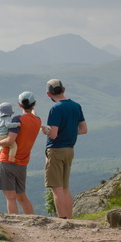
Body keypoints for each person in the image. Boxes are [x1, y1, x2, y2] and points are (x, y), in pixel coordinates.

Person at [40, 78, 87, 218]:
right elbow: (83, 129)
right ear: (63, 89)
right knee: (65, 188)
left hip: (56, 150)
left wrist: (45, 131)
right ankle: (70, 219)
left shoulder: (55, 108)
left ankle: (62, 220)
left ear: (49, 94)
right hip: (69, 150)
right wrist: (70, 131)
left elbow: (53, 135)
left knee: (56, 188)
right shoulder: (76, 106)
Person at [0, 91, 42, 214]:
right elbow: (33, 115)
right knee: (22, 196)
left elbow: (10, 140)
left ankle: (15, 225)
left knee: (10, 197)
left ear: (19, 105)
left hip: (7, 161)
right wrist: (32, 111)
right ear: (34, 104)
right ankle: (33, 221)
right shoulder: (37, 121)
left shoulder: (17, 119)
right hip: (22, 163)